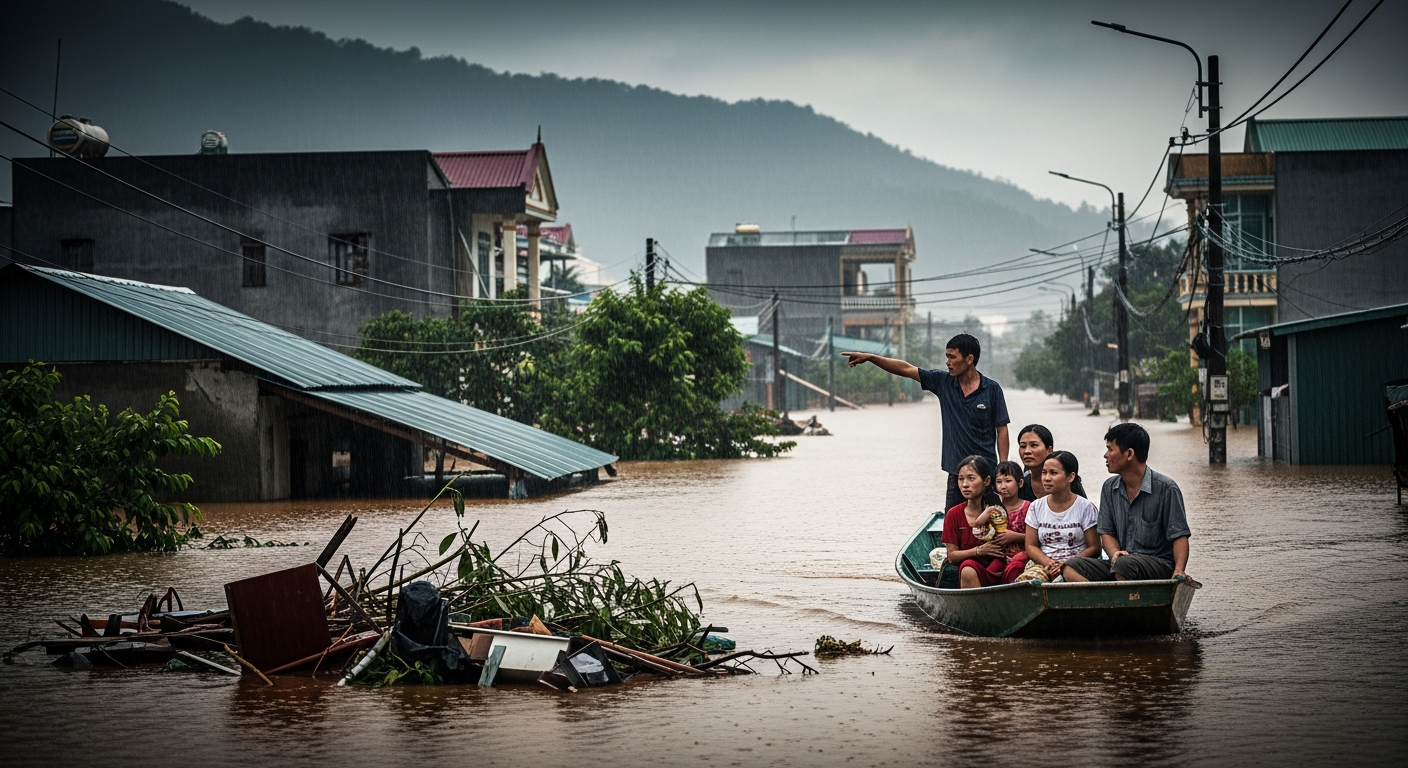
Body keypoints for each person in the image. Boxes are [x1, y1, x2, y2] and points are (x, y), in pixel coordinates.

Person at [843, 333, 1009, 511]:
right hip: (957, 473)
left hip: (986, 473)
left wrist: (1002, 468)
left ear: (969, 359)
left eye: (952, 357)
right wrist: (871, 357)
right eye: (947, 357)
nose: (948, 362)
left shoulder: (992, 389)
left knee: (992, 525)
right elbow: (905, 369)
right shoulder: (943, 382)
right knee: (953, 525)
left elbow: (1002, 430)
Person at [1063, 423, 1191, 583]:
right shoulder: (1109, 488)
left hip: (1158, 565)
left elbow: (1179, 536)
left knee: (1125, 565)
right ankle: (1102, 602)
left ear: (1129, 454)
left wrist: (1179, 570)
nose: (1105, 455)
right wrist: (1115, 554)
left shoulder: (1166, 488)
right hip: (1121, 563)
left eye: (1110, 449)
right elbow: (1107, 533)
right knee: (1070, 566)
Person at [1018, 451, 1100, 583]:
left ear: (1070, 477)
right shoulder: (1035, 507)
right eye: (1044, 472)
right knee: (1030, 584)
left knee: (1066, 580)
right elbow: (1031, 546)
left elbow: (1095, 548)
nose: (1046, 478)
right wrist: (1049, 563)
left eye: (1053, 473)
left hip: (1076, 565)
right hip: (1043, 565)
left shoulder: (1085, 507)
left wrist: (1068, 563)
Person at [939, 455, 1015, 589]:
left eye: (971, 478)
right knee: (968, 567)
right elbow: (952, 556)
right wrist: (978, 551)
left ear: (986, 481)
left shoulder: (998, 511)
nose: (964, 485)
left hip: (998, 568)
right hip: (968, 571)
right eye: (961, 479)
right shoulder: (953, 514)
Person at [1015, 424, 1087, 502]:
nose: (1027, 451)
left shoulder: (1067, 481)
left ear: (1049, 450)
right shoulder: (1019, 485)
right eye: (1022, 446)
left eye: (1034, 445)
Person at [992, 460, 1033, 583]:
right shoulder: (994, 509)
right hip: (1000, 555)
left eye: (1008, 481)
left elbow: (1037, 538)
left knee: (1015, 568)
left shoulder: (1028, 507)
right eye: (999, 482)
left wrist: (1014, 536)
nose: (1003, 486)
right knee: (991, 571)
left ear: (1020, 483)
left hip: (1024, 554)